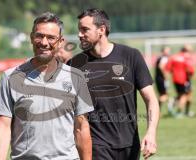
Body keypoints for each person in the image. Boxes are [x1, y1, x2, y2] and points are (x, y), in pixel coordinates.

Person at [0, 12, 94, 160]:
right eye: (39, 36)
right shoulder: (10, 77)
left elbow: (81, 128)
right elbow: (3, 127)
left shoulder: (76, 77)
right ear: (32, 38)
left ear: (60, 42)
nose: (44, 42)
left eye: (51, 37)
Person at [68, 8, 159, 160]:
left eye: (85, 30)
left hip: (130, 145)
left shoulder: (131, 56)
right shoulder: (75, 64)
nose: (79, 34)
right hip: (96, 145)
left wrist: (151, 132)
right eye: (79, 30)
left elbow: (151, 99)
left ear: (101, 30)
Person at [166, 44, 195, 117]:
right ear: (186, 50)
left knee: (182, 95)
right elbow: (190, 69)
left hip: (175, 79)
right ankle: (179, 112)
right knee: (184, 96)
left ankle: (184, 110)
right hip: (184, 79)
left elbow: (168, 68)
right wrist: (191, 75)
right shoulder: (186, 57)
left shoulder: (174, 57)